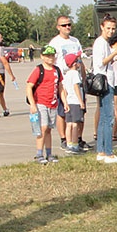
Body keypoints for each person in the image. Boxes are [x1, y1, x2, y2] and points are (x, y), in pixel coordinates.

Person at [48, 16, 88, 151]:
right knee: (63, 111)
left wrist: (84, 77)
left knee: (79, 110)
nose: (67, 27)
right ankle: (64, 138)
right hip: (63, 81)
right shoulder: (55, 43)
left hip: (76, 80)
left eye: (69, 24)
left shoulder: (75, 41)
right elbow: (51, 61)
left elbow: (80, 60)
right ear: (58, 27)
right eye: (64, 25)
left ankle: (78, 138)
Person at [91, 14, 117, 163]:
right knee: (108, 117)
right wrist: (114, 54)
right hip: (105, 82)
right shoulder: (100, 43)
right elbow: (100, 63)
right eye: (108, 28)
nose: (111, 31)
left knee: (105, 118)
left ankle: (101, 151)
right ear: (102, 27)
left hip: (108, 80)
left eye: (113, 29)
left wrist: (115, 57)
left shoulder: (104, 42)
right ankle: (108, 152)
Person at [26, 45, 63, 164]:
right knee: (42, 128)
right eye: (47, 56)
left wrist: (64, 101)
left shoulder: (57, 70)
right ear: (42, 56)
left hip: (52, 104)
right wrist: (32, 104)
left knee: (48, 130)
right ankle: (39, 154)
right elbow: (29, 86)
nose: (50, 58)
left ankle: (49, 153)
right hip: (40, 103)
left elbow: (60, 87)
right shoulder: (39, 70)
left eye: (52, 55)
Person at [62, 52, 86, 155]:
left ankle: (69, 144)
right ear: (74, 64)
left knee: (69, 124)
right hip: (75, 102)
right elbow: (76, 87)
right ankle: (75, 144)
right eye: (78, 61)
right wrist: (81, 101)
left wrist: (65, 102)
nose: (79, 62)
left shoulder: (66, 74)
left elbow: (64, 89)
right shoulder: (75, 74)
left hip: (69, 101)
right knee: (76, 124)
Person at [0, 33, 17, 117]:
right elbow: (5, 62)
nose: (1, 39)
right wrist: (11, 75)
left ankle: (5, 109)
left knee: (0, 93)